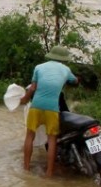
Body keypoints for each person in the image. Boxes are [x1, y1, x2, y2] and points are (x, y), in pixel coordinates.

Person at [19, 45, 79, 177]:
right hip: (52, 109)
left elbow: (33, 88)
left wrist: (24, 99)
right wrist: (73, 80)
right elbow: (75, 80)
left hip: (36, 106)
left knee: (30, 136)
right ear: (63, 59)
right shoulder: (66, 69)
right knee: (52, 140)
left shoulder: (39, 67)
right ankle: (49, 173)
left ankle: (26, 169)